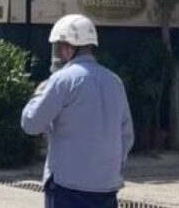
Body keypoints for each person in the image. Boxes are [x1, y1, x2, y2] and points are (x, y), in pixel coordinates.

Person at [21, 14, 133, 208]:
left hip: (67, 188)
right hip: (106, 188)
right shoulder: (115, 82)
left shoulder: (62, 80)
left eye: (58, 47)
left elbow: (31, 124)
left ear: (68, 48)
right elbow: (126, 136)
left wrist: (38, 94)